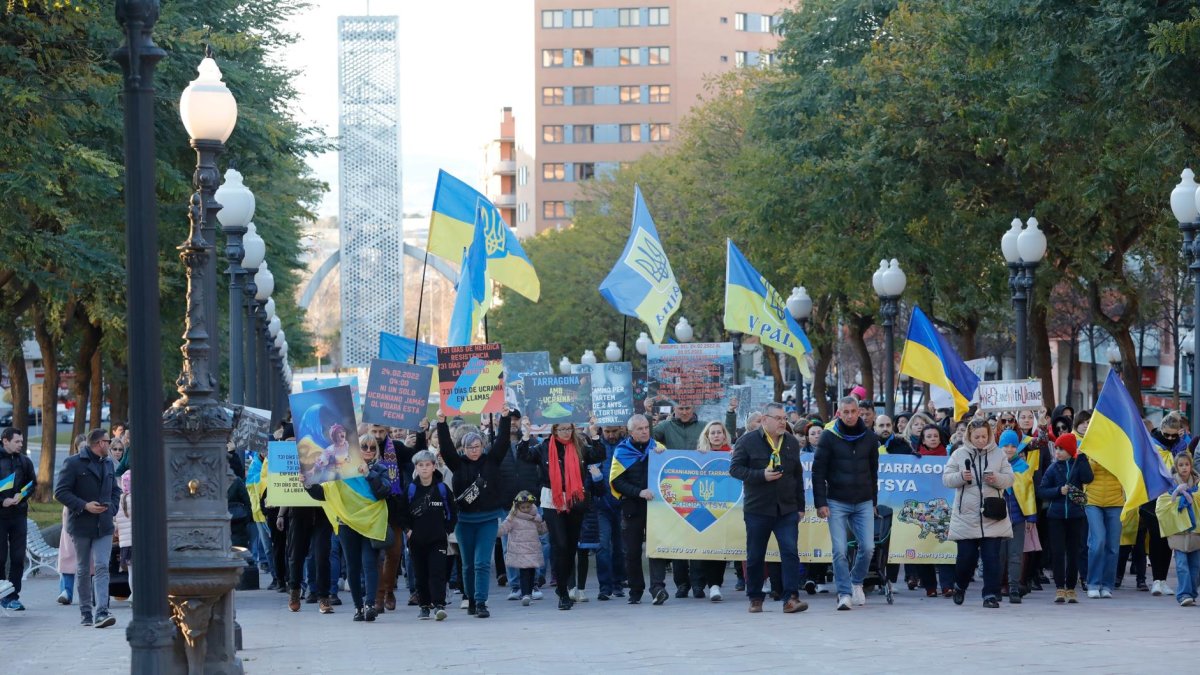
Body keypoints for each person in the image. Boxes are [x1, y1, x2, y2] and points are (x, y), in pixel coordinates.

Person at [519, 419, 606, 610]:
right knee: (560, 544)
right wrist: (525, 435)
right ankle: (564, 592)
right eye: (562, 429)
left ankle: (564, 584)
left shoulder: (580, 446)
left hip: (575, 498)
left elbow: (600, 454)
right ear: (554, 430)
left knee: (570, 546)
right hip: (552, 498)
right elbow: (524, 455)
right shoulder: (543, 447)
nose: (566, 432)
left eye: (569, 428)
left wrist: (595, 434)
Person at [729, 403, 808, 614]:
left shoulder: (791, 442)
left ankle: (791, 598)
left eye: (784, 418)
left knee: (790, 552)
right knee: (755, 555)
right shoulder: (747, 441)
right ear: (765, 420)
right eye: (778, 418)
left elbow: (797, 476)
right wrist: (760, 475)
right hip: (758, 508)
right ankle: (755, 597)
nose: (783, 422)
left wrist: (800, 506)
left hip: (787, 509)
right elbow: (735, 469)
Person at [437, 408, 516, 618]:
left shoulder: (491, 460)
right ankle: (470, 599)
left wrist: (505, 418)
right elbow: (445, 448)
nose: (474, 450)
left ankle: (481, 602)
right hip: (464, 521)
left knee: (481, 562)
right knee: (468, 564)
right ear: (463, 449)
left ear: (482, 446)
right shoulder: (457, 464)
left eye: (477, 446)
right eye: (469, 447)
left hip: (488, 519)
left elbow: (502, 442)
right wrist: (442, 422)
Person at [812, 396, 879, 611]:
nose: (850, 415)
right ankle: (843, 593)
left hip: (863, 501)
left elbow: (873, 472)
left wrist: (874, 501)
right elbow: (817, 472)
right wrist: (820, 503)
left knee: (868, 548)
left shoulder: (869, 438)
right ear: (838, 413)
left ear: (859, 412)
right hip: (836, 501)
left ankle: (856, 581)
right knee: (839, 549)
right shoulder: (828, 437)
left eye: (853, 411)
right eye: (845, 412)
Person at [943, 419, 1015, 608]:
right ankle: (960, 585)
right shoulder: (959, 454)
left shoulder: (999, 455)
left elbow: (1009, 479)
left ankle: (990, 594)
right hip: (966, 516)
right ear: (969, 436)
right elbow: (946, 479)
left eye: (984, 436)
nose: (981, 440)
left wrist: (997, 478)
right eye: (977, 437)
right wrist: (960, 477)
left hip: (992, 515)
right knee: (966, 558)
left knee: (992, 558)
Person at [54, 428, 121, 628]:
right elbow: (60, 492)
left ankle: (102, 611)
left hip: (104, 524)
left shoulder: (108, 463)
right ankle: (86, 612)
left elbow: (115, 490)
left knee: (101, 566)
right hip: (81, 524)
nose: (110, 445)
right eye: (108, 442)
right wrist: (84, 505)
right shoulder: (73, 463)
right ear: (99, 443)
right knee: (83, 568)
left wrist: (112, 509)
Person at [610, 414, 671, 605]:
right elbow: (616, 482)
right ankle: (635, 590)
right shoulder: (621, 451)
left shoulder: (659, 449)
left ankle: (658, 588)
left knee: (656, 549)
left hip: (657, 508)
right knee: (632, 552)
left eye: (646, 428)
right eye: (640, 429)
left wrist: (666, 459)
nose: (644, 431)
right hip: (632, 507)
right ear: (630, 432)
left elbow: (670, 473)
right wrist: (638, 492)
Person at [397, 450, 457, 621]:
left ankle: (439, 604)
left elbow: (452, 511)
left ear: (433, 466)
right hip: (417, 541)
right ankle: (424, 606)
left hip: (437, 540)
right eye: (420, 465)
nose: (424, 469)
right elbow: (402, 514)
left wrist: (446, 529)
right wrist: (408, 530)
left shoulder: (442, 488)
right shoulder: (411, 489)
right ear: (416, 467)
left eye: (427, 465)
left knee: (437, 572)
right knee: (420, 574)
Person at [1037, 433, 1093, 604]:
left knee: (1074, 552)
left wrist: (1082, 458)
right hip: (1056, 517)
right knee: (1058, 552)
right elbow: (1042, 490)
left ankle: (1071, 588)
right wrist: (1057, 491)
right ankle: (1060, 587)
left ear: (1070, 450)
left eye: (1062, 449)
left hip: (1076, 516)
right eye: (1057, 449)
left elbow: (1088, 478)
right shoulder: (1053, 469)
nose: (1058, 452)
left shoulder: (1078, 464)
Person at [694, 420, 734, 601]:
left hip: (727, 508)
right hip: (704, 509)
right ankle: (711, 585)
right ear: (707, 436)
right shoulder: (699, 456)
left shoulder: (733, 454)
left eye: (720, 432)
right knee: (707, 547)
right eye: (713, 433)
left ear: (725, 435)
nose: (717, 435)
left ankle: (716, 583)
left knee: (722, 546)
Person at [587, 424, 627, 601]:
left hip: (623, 503)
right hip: (602, 504)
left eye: (614, 431)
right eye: (607, 432)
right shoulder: (595, 448)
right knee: (603, 546)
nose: (611, 435)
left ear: (621, 429)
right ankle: (605, 586)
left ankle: (618, 583)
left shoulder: (627, 446)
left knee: (620, 547)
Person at [998, 430, 1036, 603]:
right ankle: (996, 587)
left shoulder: (1023, 467)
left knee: (1015, 555)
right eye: (1005, 445)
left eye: (1013, 445)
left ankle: (1014, 588)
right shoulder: (993, 466)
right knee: (999, 555)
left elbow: (1029, 493)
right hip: (996, 520)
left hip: (1018, 519)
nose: (1009, 449)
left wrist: (1030, 517)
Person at [0, 427, 33, 611]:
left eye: (21, 441)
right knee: (0, 557)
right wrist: (2, 501)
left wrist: (21, 497)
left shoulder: (24, 462)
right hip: (1, 517)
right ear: (5, 441)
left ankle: (12, 596)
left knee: (18, 557)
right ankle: (1, 593)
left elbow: (32, 484)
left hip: (19, 515)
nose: (21, 444)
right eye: (17, 441)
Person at [498, 490, 548, 605]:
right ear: (517, 506)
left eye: (528, 507)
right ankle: (525, 594)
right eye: (523, 507)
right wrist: (494, 529)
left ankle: (529, 593)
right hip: (520, 552)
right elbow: (504, 528)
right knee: (524, 572)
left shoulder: (535, 517)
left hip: (532, 550)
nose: (526, 509)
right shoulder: (512, 517)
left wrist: (547, 523)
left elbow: (541, 531)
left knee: (531, 573)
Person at [1167, 453, 1200, 606]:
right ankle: (1184, 594)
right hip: (1178, 529)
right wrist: (1176, 493)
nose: (1184, 468)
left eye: (1187, 464)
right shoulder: (1171, 484)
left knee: (1195, 565)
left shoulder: (1198, 483)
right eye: (1181, 465)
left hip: (1196, 529)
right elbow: (1165, 503)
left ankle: (1192, 592)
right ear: (1176, 467)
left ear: (1191, 466)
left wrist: (1191, 496)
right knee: (1181, 564)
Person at [114, 471, 133, 602]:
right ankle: (138, 595)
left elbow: (115, 522)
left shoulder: (119, 500)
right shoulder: (138, 499)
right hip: (138, 543)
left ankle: (132, 594)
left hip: (125, 544)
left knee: (131, 573)